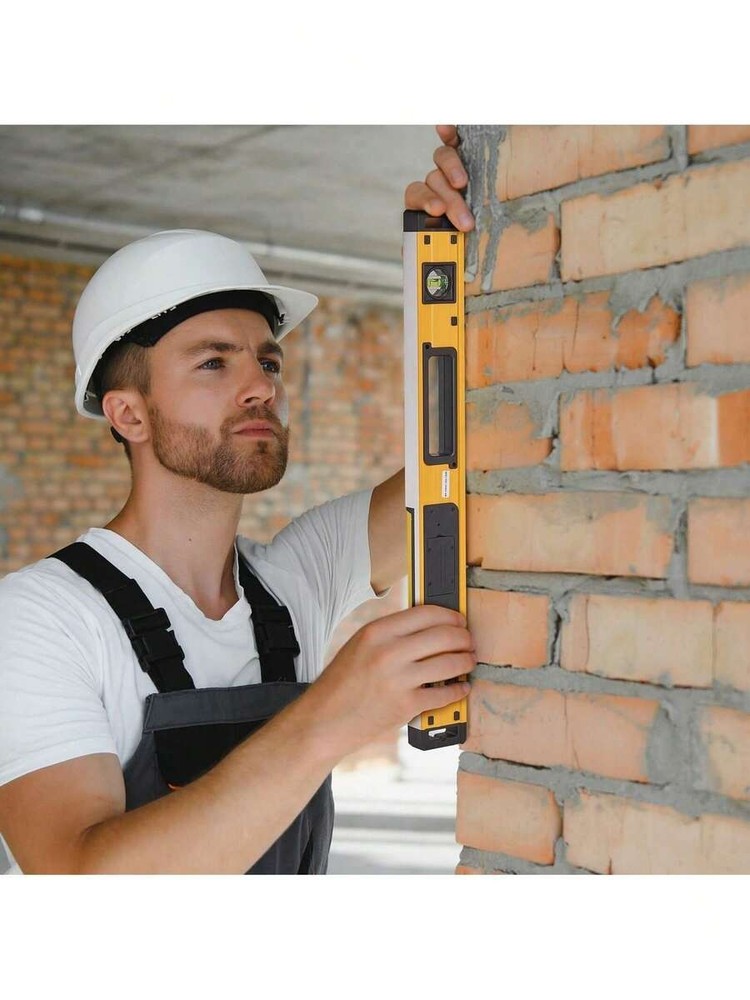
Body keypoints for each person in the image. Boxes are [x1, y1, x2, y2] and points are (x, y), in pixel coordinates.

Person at [0, 125, 476, 875]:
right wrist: (331, 715)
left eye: (266, 360)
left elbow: (470, 452)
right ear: (128, 414)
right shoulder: (41, 618)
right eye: (213, 362)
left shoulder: (290, 585)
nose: (261, 384)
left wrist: (464, 245)